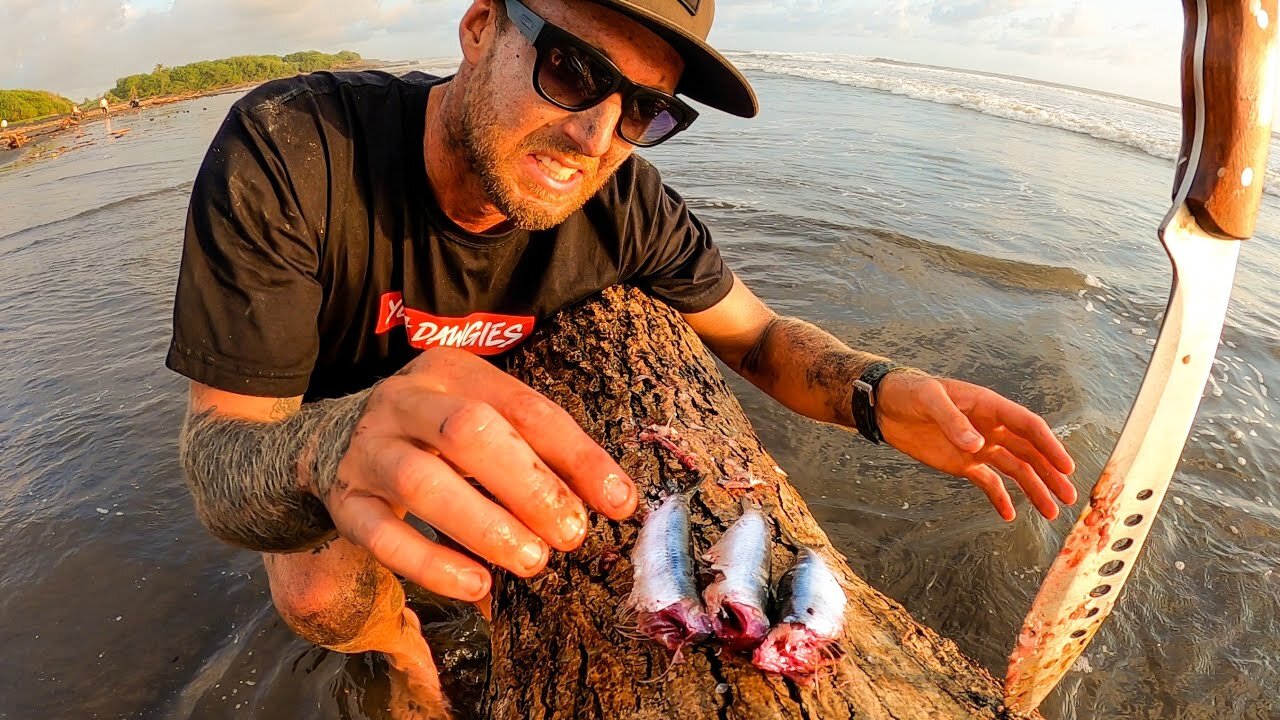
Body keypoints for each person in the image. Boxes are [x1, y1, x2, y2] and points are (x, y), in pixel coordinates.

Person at [168, 0, 1078, 715]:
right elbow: (219, 460)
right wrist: (341, 438)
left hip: (509, 410)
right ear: (482, 24)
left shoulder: (628, 208)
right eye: (572, 68)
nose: (596, 137)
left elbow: (758, 337)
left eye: (644, 108)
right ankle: (407, 653)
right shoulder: (295, 150)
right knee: (321, 598)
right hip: (335, 420)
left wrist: (877, 391)